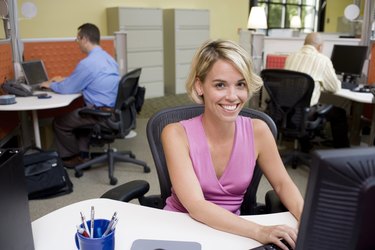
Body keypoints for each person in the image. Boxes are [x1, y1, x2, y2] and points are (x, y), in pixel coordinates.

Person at [161, 39, 304, 250]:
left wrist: (309, 222)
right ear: (200, 86)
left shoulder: (258, 131)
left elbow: (283, 184)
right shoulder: (175, 133)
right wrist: (259, 231)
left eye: (241, 84)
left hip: (231, 234)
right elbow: (196, 205)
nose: (232, 96)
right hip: (178, 228)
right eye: (220, 85)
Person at [40, 23, 120, 168]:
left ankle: (72, 157)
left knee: (60, 122)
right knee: (79, 117)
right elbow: (87, 80)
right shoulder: (108, 58)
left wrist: (50, 84)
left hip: (99, 113)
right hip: (112, 111)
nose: (77, 43)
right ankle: (83, 153)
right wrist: (65, 80)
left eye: (77, 39)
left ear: (84, 39)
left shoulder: (88, 63)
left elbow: (67, 88)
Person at [284, 32, 350, 149]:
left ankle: (305, 147)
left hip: (286, 111)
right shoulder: (323, 60)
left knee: (306, 107)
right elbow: (334, 88)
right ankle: (343, 153)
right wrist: (322, 84)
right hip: (306, 113)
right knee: (340, 113)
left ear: (304, 43)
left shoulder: (291, 57)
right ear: (320, 47)